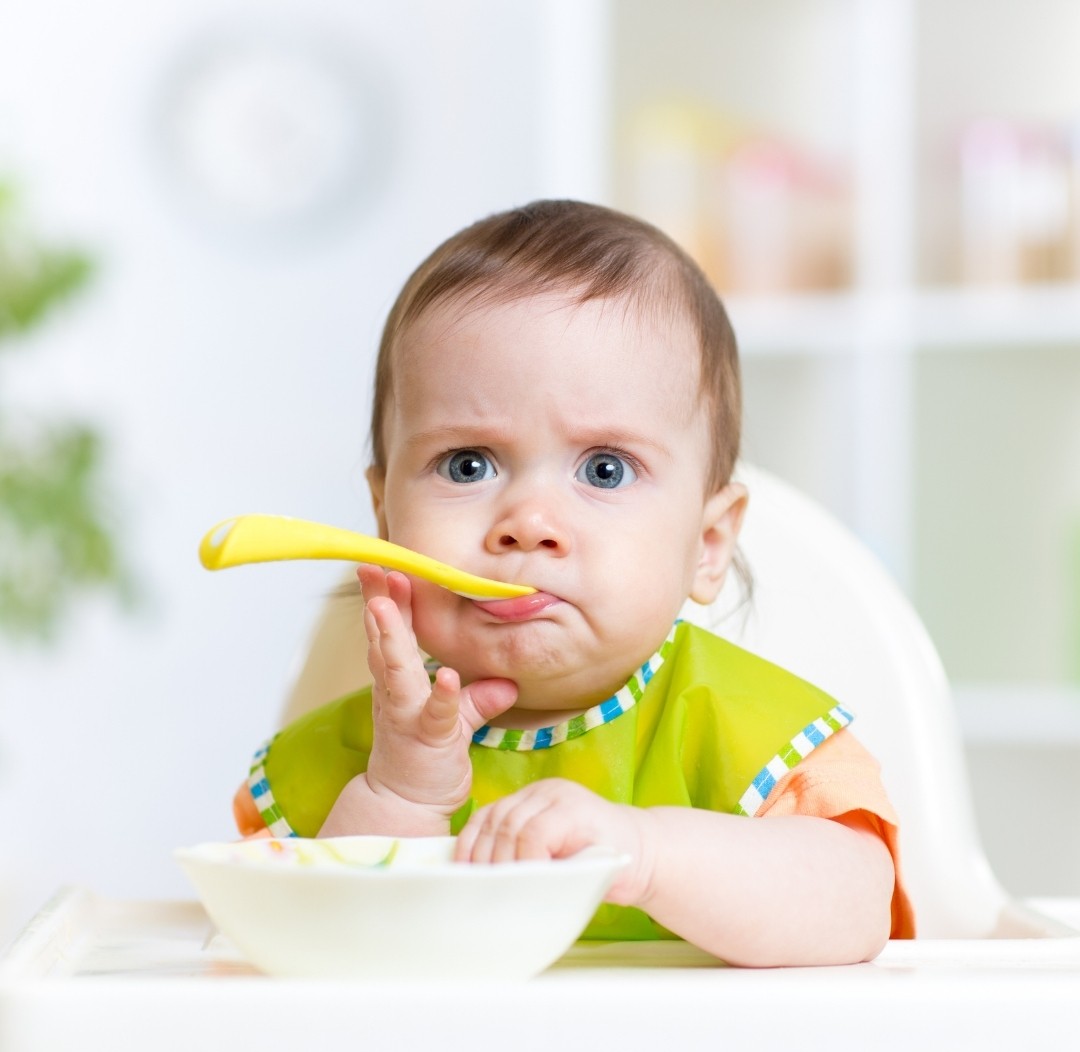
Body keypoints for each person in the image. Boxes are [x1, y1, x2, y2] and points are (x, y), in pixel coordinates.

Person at [232, 199, 915, 966]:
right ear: (386, 521)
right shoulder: (351, 758)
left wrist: (646, 852)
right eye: (468, 464)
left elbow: (855, 910)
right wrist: (401, 796)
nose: (528, 522)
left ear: (708, 543)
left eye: (604, 469)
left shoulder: (746, 735)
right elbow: (314, 960)